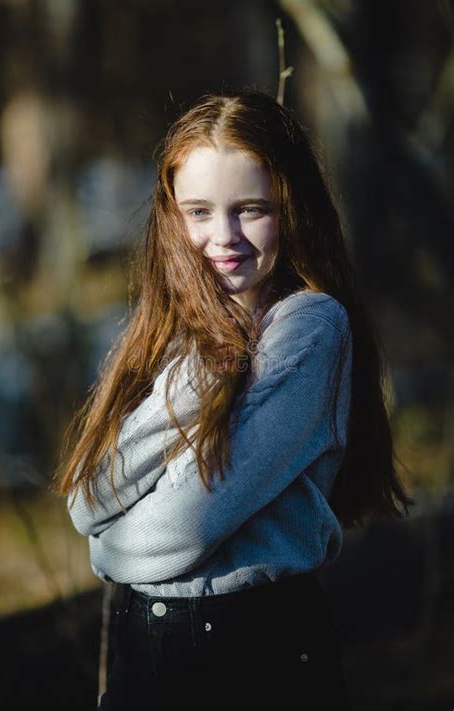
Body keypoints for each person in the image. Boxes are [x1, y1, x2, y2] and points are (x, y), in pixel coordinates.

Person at [52, 88, 415, 710]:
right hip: (150, 644)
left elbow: (179, 531)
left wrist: (110, 550)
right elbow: (88, 498)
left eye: (251, 209)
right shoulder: (170, 334)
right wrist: (203, 369)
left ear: (292, 208)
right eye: (198, 211)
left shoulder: (308, 328)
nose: (224, 238)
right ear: (171, 215)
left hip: (255, 652)